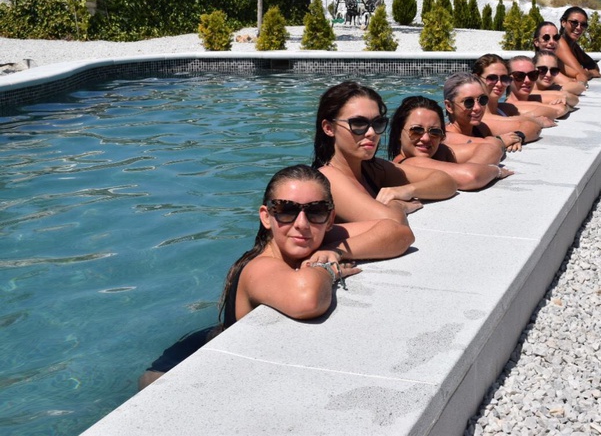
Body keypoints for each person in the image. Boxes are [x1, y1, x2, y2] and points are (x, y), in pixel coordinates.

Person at [139, 164, 413, 390]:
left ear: (330, 219)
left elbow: (399, 233)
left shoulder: (322, 239)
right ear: (266, 216)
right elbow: (306, 299)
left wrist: (334, 251)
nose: (302, 223)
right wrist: (325, 268)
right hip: (173, 370)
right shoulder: (261, 267)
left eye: (316, 211)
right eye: (286, 210)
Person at [313, 81, 457, 224]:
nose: (371, 133)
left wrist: (406, 190)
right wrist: (399, 205)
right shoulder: (329, 180)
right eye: (358, 124)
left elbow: (447, 182)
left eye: (377, 123)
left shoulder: (371, 169)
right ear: (329, 128)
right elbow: (393, 223)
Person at [388, 95, 513, 190]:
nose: (426, 138)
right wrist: (495, 171)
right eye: (416, 130)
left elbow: (491, 147)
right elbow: (470, 176)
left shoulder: (440, 152)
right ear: (399, 133)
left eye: (435, 132)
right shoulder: (411, 162)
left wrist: (473, 168)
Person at [442, 72, 526, 151]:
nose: (477, 107)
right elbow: (486, 147)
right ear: (449, 106)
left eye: (482, 99)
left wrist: (517, 137)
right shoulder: (445, 137)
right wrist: (501, 141)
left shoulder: (480, 129)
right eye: (468, 102)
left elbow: (530, 127)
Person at [471, 53, 548, 138]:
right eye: (492, 78)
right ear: (476, 78)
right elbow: (533, 127)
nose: (499, 84)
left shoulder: (507, 109)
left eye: (504, 78)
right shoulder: (476, 117)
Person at [506, 55, 571, 120]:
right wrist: (565, 106)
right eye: (519, 76)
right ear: (507, 79)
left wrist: (564, 102)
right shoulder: (510, 106)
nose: (527, 80)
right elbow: (559, 110)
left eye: (532, 75)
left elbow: (573, 99)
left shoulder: (533, 98)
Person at [532, 21, 586, 95]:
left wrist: (580, 82)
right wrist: (574, 82)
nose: (552, 42)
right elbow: (576, 87)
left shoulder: (558, 63)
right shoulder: (542, 68)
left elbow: (580, 75)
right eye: (546, 38)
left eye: (555, 37)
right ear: (536, 42)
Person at [555, 7, 601, 83]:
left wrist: (588, 72)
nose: (578, 27)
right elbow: (581, 73)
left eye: (583, 24)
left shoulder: (573, 46)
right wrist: (591, 73)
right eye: (574, 23)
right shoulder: (559, 43)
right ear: (563, 23)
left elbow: (594, 66)